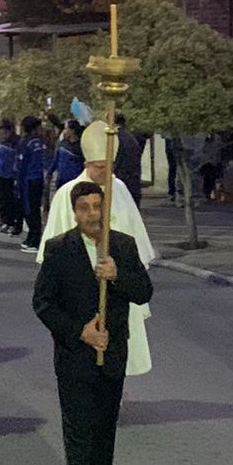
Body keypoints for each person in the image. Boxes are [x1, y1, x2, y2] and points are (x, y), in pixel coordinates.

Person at [32, 180, 153, 465]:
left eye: (97, 207)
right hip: (75, 360)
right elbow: (42, 304)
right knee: (79, 436)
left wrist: (117, 276)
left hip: (112, 358)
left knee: (103, 435)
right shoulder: (59, 249)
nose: (92, 215)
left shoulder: (122, 246)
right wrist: (79, 332)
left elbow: (144, 292)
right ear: (75, 212)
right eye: (84, 208)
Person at [38, 133, 157, 375]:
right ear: (87, 164)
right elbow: (54, 250)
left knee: (115, 357)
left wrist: (123, 272)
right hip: (79, 291)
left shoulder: (119, 189)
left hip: (117, 289)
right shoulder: (68, 193)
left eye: (109, 167)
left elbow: (135, 242)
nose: (106, 173)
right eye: (100, 167)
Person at [17, 116, 49, 253]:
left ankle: (35, 240)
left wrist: (18, 180)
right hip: (39, 178)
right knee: (35, 208)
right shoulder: (41, 143)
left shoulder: (26, 143)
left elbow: (21, 163)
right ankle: (32, 236)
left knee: (30, 209)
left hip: (28, 179)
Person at [0, 118, 22, 233]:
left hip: (11, 175)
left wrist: (16, 173)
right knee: (1, 198)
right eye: (2, 131)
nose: (4, 134)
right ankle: (5, 221)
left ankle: (12, 222)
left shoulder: (17, 142)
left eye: (6, 131)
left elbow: (17, 159)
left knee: (11, 199)